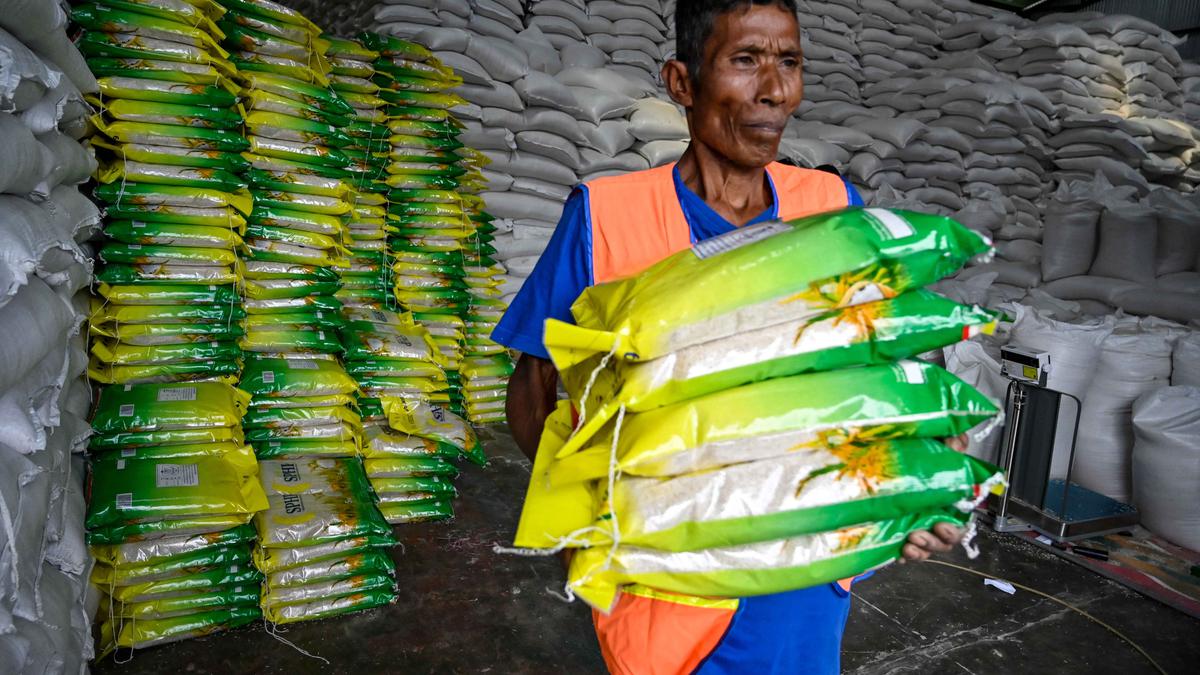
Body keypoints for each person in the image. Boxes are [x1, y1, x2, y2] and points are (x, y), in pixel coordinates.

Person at [491, 1, 965, 672]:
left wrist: (923, 465)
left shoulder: (832, 210)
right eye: (745, 60)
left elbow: (894, 353)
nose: (775, 90)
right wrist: (587, 510)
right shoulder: (608, 217)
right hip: (663, 593)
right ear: (682, 82)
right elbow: (533, 388)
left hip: (803, 583)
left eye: (789, 62)